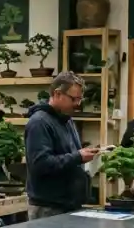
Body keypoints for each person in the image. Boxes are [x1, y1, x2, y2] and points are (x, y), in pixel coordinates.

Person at [24, 72, 99, 220]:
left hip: (68, 205)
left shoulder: (66, 119)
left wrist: (82, 154)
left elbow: (69, 155)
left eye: (80, 99)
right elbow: (40, 164)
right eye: (74, 99)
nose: (77, 104)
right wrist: (78, 156)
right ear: (58, 94)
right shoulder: (39, 123)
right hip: (48, 209)